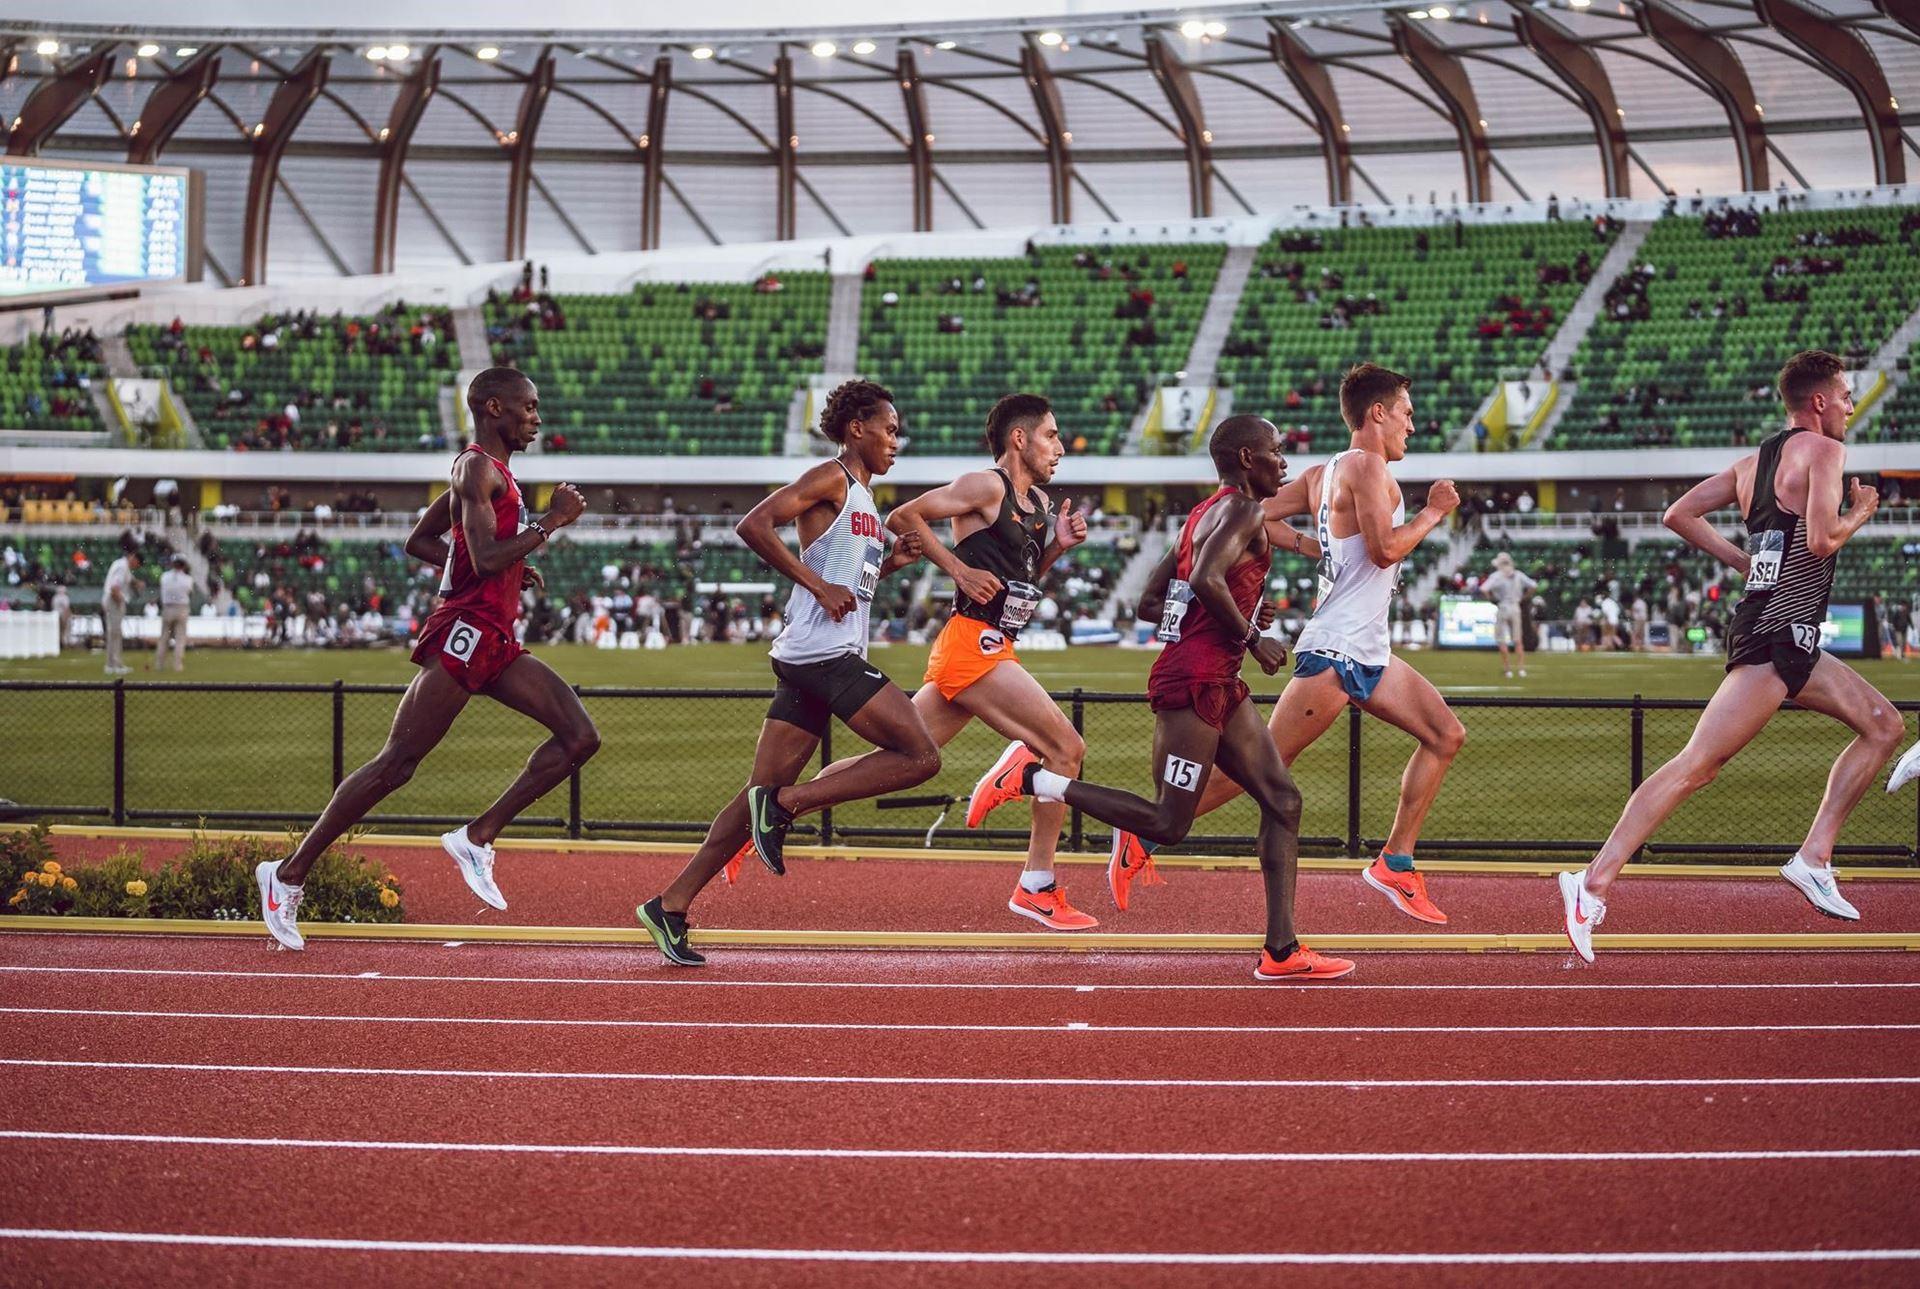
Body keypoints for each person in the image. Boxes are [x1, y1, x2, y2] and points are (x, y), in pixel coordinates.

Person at [978, 415, 1353, 982]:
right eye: (1277, 452)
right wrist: (1255, 637)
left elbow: (1153, 602)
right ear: (1248, 459)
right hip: (1195, 682)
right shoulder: (1245, 510)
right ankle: (1032, 779)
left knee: (1283, 800)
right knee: (1168, 823)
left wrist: (1242, 612)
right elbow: (1205, 579)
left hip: (1219, 681)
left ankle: (1281, 949)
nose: (1285, 463)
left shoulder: (1200, 516)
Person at [1559, 351, 1902, 960]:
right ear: (1818, 402)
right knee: (1698, 764)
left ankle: (1813, 857)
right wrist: (1859, 514)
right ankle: (1589, 883)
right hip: (1776, 633)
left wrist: (1744, 562)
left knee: (1882, 726)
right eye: (1847, 395)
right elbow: (1821, 539)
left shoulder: (1753, 463)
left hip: (1787, 632)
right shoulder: (1823, 452)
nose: (1852, 406)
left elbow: (1678, 514)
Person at [255, 368, 600, 951]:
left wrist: (513, 562)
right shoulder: (476, 468)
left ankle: (478, 836)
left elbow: (425, 542)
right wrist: (550, 524)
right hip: (466, 632)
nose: (538, 418)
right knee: (397, 764)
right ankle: (287, 874)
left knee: (579, 738)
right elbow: (487, 558)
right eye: (530, 407)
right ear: (496, 408)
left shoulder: (495, 475)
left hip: (494, 635)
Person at [1111, 365, 1465, 925]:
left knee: (1445, 734)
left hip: (1367, 645)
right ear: (1378, 413)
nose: (1412, 426)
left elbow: (1250, 513)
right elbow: (1384, 551)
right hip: (1336, 650)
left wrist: (1305, 544)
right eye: (1407, 413)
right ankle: (1145, 833)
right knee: (1262, 772)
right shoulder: (1368, 467)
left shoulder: (1323, 473)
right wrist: (1434, 511)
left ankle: (1396, 862)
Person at [753, 393, 1098, 928]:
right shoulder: (988, 486)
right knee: (1064, 748)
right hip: (972, 646)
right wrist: (956, 572)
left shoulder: (1042, 509)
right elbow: (904, 515)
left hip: (993, 642)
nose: (1061, 448)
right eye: (1052, 436)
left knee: (902, 755)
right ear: (1020, 438)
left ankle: (769, 811)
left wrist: (1057, 550)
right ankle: (1037, 884)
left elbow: (1019, 587)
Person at [636, 380, 937, 967]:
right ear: (858, 429)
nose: (898, 440)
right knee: (920, 756)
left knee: (753, 794)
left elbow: (849, 585)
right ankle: (787, 805)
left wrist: (892, 564)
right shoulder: (833, 479)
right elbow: (753, 524)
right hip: (823, 657)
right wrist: (816, 584)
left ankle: (669, 906)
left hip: (812, 658)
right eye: (891, 429)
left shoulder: (866, 502)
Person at [1480, 551, 1536, 678]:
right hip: (1515, 607)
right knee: (1518, 640)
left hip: (1503, 606)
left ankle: (1508, 669)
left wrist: (1491, 599)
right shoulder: (1518, 574)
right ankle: (1521, 669)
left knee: (1501, 639)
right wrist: (1524, 597)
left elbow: (1484, 589)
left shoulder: (1497, 575)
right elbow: (1533, 586)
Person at [101, 547, 139, 675]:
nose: (136, 566)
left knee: (114, 633)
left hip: (113, 600)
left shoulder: (122, 565)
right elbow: (114, 588)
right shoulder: (122, 567)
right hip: (114, 601)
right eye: (137, 563)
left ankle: (113, 663)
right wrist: (119, 602)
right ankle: (113, 664)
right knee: (115, 633)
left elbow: (128, 580)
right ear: (133, 558)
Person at [152, 555, 193, 672]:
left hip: (168, 608)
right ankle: (177, 665)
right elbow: (189, 593)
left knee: (164, 637)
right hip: (181, 608)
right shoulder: (188, 579)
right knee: (180, 638)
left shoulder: (164, 577)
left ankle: (159, 664)